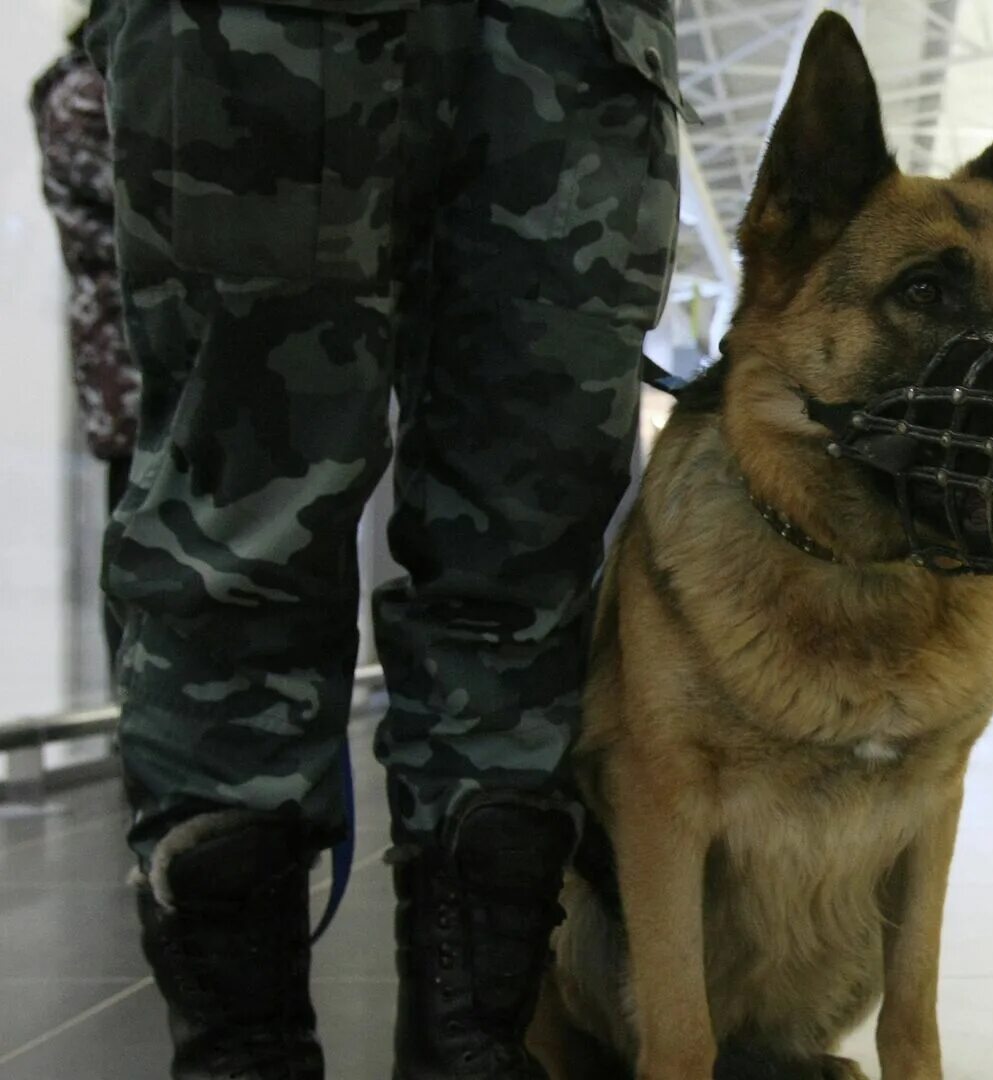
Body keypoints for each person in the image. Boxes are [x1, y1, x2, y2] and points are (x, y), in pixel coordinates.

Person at [82, 0, 683, 1074]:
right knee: (240, 535)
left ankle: (471, 1048)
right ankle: (242, 1055)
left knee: (528, 564)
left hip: (573, 32)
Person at [30, 15, 139, 666]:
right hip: (129, 374)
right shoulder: (84, 94)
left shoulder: (105, 83)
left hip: (144, 368)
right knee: (137, 548)